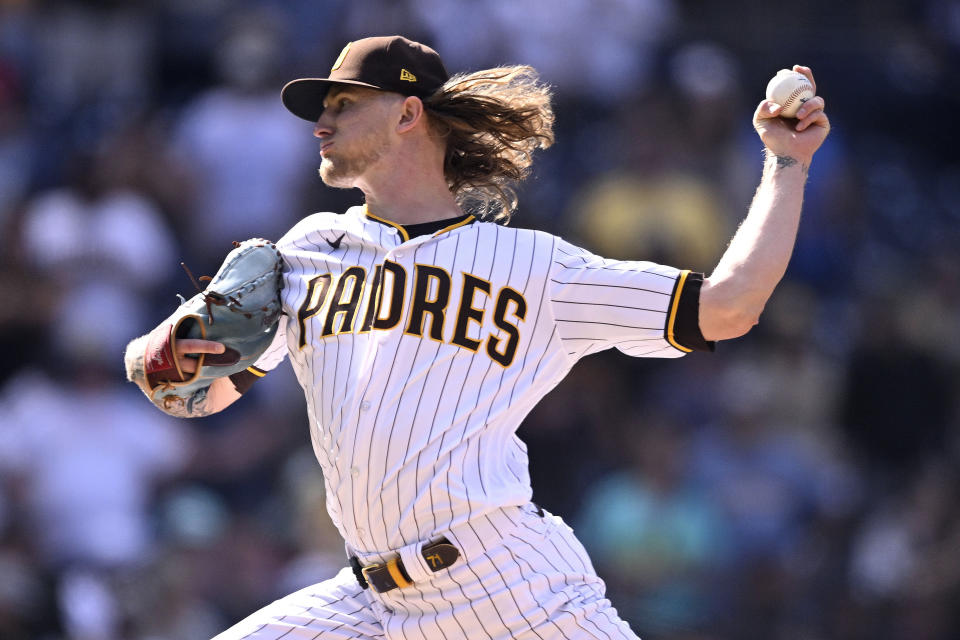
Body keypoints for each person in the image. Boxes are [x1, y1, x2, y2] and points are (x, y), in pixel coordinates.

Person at [126, 35, 829, 640]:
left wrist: (787, 164)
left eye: (343, 103)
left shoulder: (534, 267)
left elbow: (730, 307)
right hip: (373, 599)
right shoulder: (309, 248)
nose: (321, 122)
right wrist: (163, 359)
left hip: (509, 584)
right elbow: (203, 395)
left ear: (407, 113)